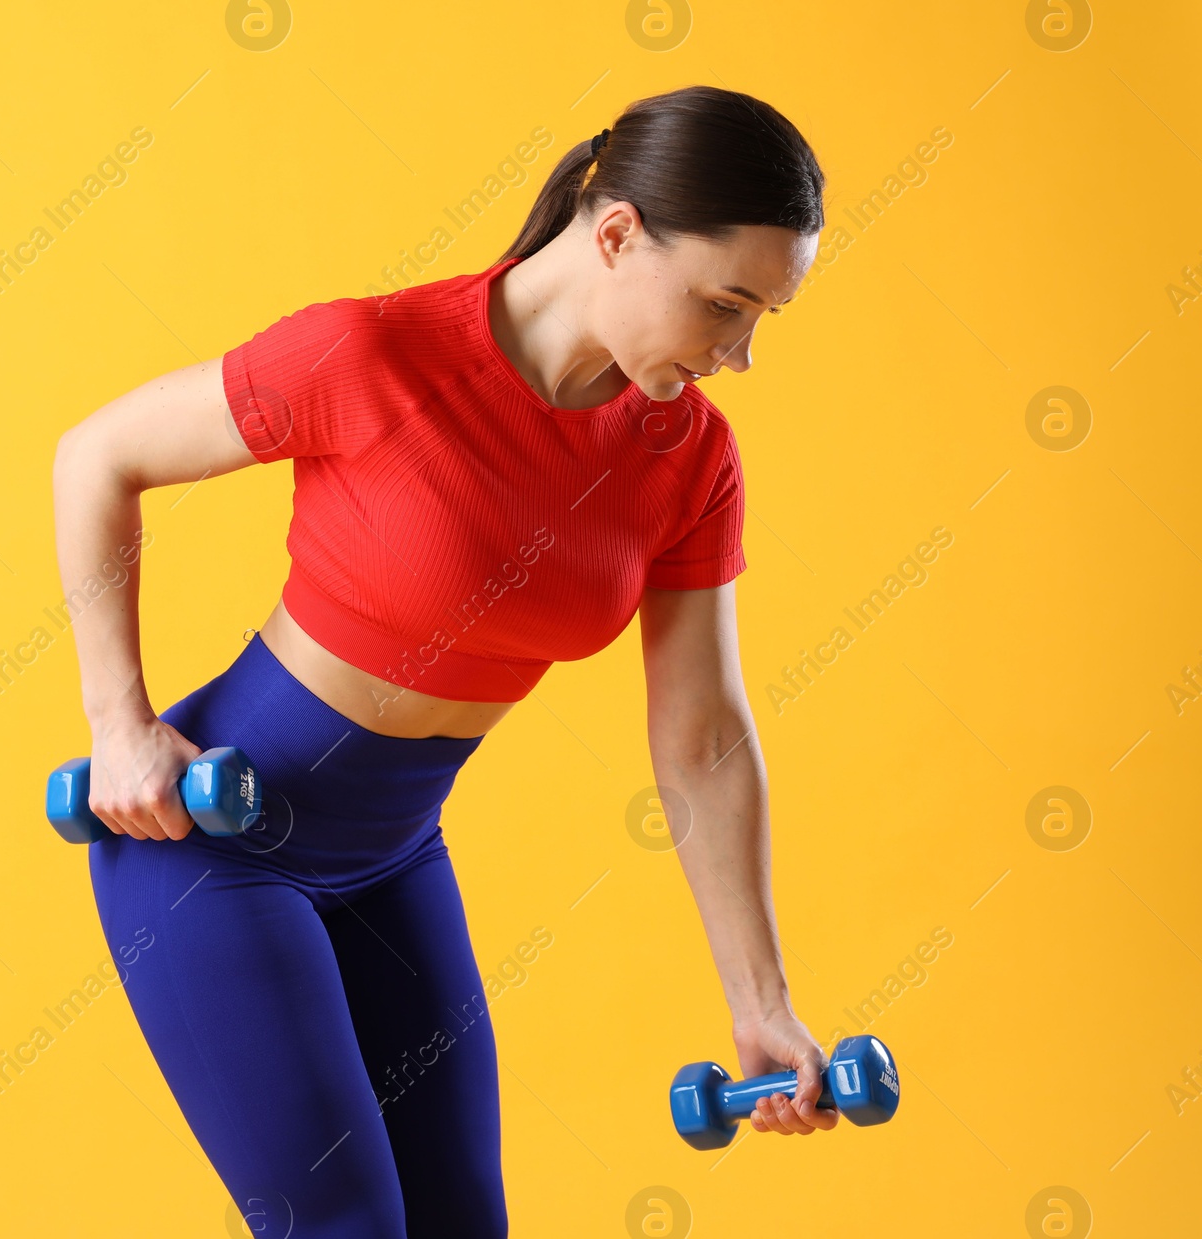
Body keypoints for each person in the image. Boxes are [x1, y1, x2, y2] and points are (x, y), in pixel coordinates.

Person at [53, 83, 832, 1238]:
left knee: (463, 1222)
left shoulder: (687, 459)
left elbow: (703, 739)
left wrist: (759, 1000)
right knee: (347, 1226)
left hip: (392, 858)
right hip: (216, 850)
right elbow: (97, 455)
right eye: (725, 305)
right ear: (616, 234)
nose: (740, 353)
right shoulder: (372, 356)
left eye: (762, 316)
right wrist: (120, 727)